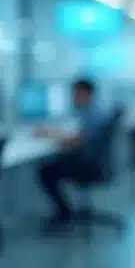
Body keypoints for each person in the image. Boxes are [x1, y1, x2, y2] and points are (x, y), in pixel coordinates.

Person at [35, 78, 109, 229]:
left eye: (75, 93)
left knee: (46, 171)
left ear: (84, 93)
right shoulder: (96, 110)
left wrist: (51, 134)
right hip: (93, 161)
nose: (73, 97)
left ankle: (64, 212)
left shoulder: (94, 113)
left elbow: (77, 140)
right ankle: (64, 211)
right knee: (55, 162)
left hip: (88, 164)